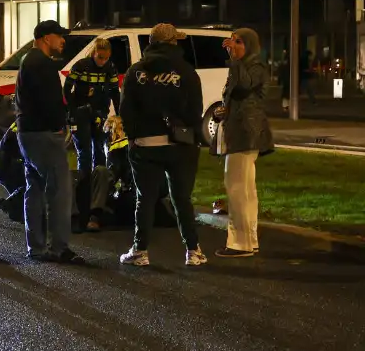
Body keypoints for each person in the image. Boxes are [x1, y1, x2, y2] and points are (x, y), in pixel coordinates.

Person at [118, 23, 206, 267]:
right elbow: (195, 111)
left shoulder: (136, 72)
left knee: (145, 198)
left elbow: (126, 110)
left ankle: (140, 251)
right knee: (181, 199)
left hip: (145, 144)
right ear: (173, 43)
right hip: (181, 145)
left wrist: (133, 137)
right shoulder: (187, 72)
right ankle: (193, 251)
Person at [15, 20, 80, 264]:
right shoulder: (43, 64)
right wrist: (61, 126)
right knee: (60, 191)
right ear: (45, 38)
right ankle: (58, 248)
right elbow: (51, 102)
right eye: (59, 36)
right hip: (44, 135)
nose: (63, 40)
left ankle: (36, 247)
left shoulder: (27, 61)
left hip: (27, 133)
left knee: (34, 190)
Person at [214, 28, 274, 258]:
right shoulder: (246, 66)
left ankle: (239, 243)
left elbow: (244, 86)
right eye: (232, 41)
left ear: (249, 45)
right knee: (246, 189)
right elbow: (238, 96)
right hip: (240, 131)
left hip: (245, 134)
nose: (233, 46)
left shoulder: (254, 66)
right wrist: (223, 112)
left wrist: (235, 61)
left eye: (238, 42)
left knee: (238, 188)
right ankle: (250, 239)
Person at [63, 38, 121, 232]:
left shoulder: (110, 68)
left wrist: (118, 114)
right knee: (85, 153)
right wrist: (73, 109)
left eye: (106, 58)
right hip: (81, 115)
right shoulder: (81, 66)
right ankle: (83, 197)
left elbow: (114, 92)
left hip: (99, 115)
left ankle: (98, 199)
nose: (102, 61)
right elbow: (67, 89)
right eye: (100, 57)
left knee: (100, 154)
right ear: (94, 53)